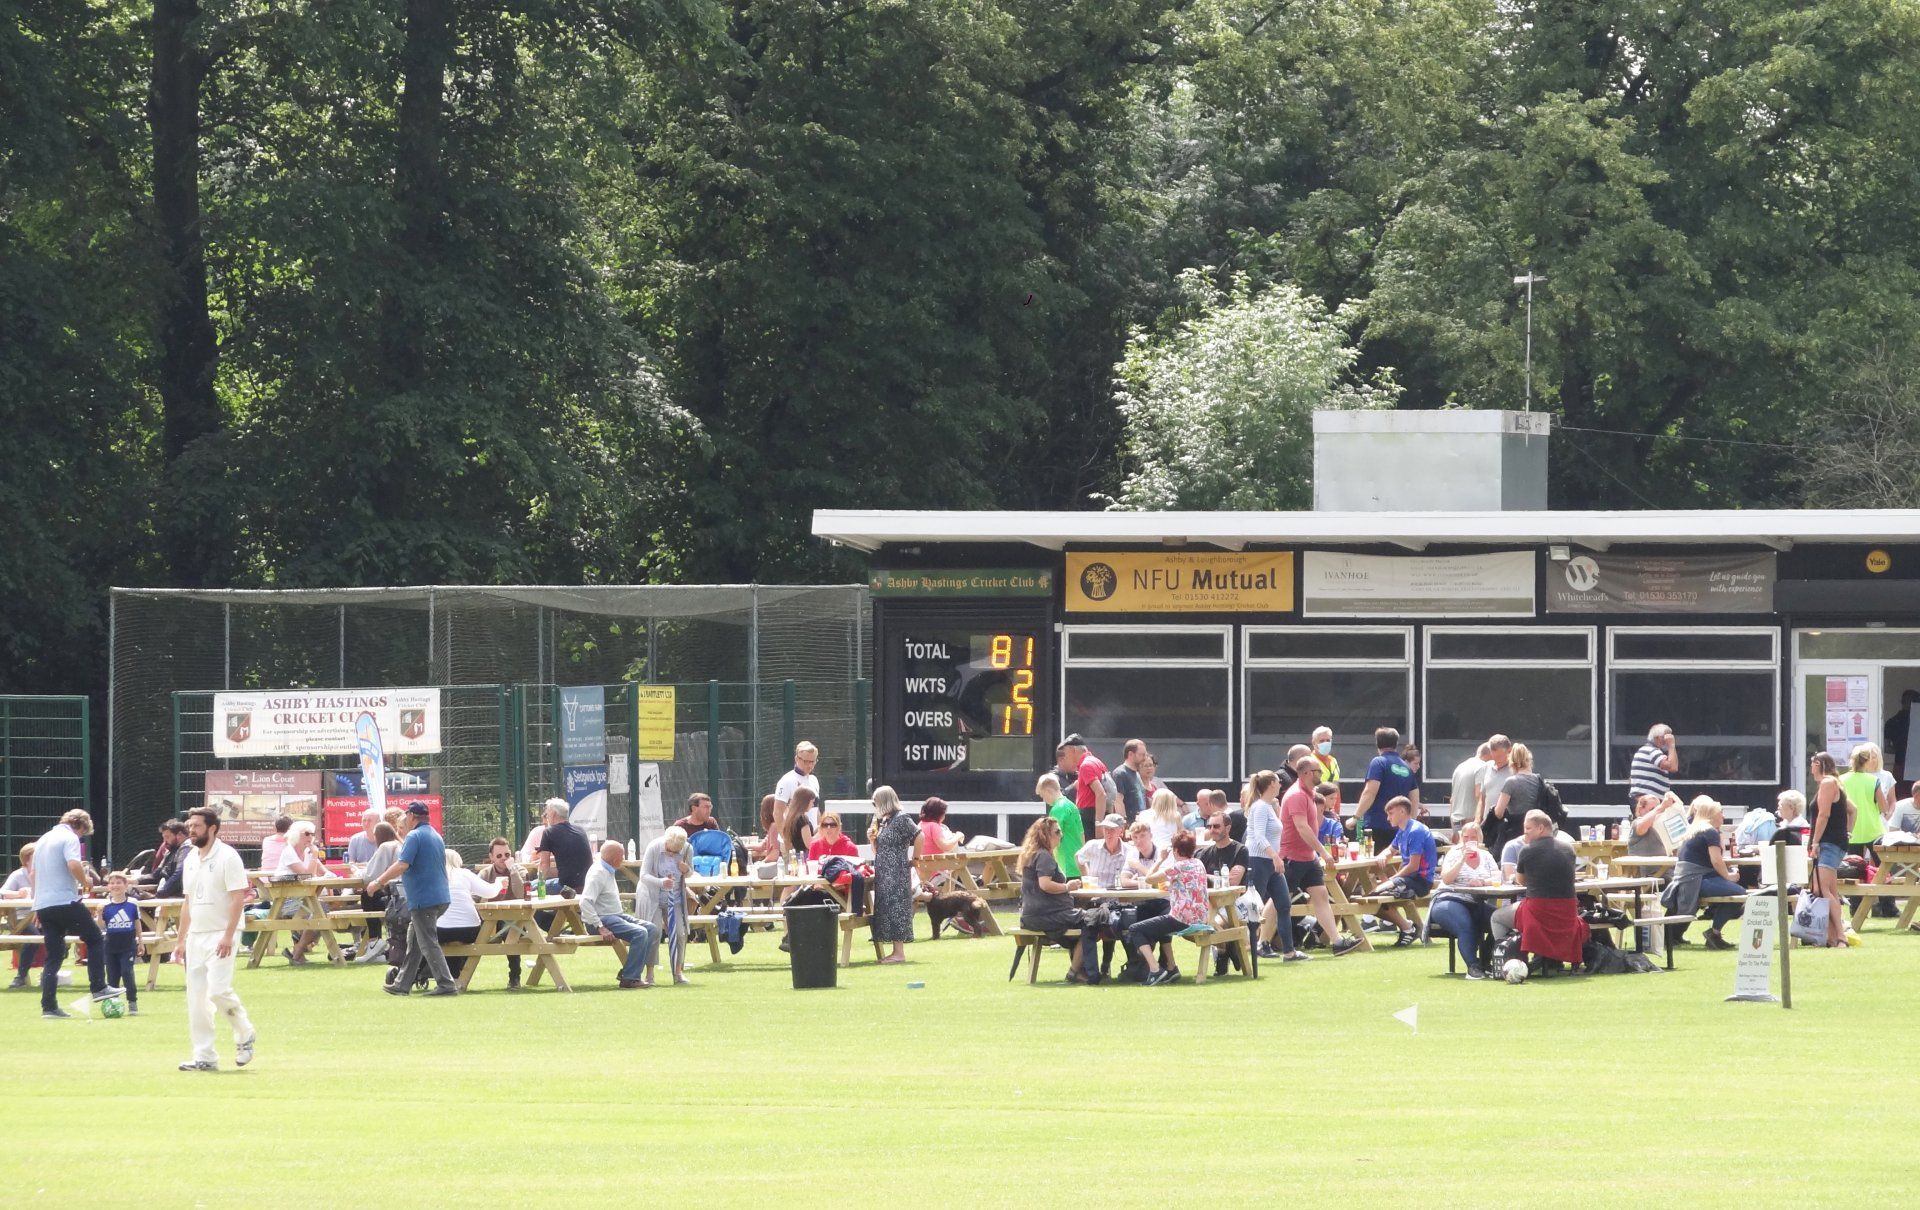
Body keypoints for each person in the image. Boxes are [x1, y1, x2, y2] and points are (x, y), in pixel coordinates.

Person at [171, 807, 256, 1070]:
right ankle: (204, 1057)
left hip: (222, 933)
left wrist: (229, 936)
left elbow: (238, 898)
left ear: (212, 828)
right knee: (196, 998)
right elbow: (188, 902)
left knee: (218, 990)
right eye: (189, 826)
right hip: (197, 935)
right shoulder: (190, 859)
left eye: (196, 826)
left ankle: (245, 1033)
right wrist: (181, 941)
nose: (191, 830)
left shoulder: (228, 856)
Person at [361, 802, 458, 997]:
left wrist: (377, 883)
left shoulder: (414, 836)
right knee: (415, 941)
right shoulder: (434, 834)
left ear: (412, 816)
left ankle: (446, 984)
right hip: (439, 897)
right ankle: (402, 984)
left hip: (425, 899)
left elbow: (402, 864)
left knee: (428, 943)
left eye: (407, 814)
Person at [31, 809, 121, 1019]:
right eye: (83, 833)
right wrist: (85, 882)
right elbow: (73, 864)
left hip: (44, 905)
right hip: (64, 900)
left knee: (54, 955)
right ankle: (99, 987)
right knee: (96, 939)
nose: (81, 837)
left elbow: (34, 873)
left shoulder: (43, 839)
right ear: (80, 826)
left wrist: (37, 904)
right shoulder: (70, 837)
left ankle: (49, 1007)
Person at [1280, 757, 1360, 958]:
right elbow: (1302, 827)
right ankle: (1260, 941)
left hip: (1308, 858)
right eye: (1317, 770)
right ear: (1306, 773)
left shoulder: (1310, 794)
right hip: (1292, 857)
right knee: (1279, 900)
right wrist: (1323, 852)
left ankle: (1338, 942)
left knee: (1321, 897)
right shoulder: (1297, 795)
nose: (1321, 774)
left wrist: (1316, 854)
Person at [1016, 816, 1098, 983]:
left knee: (1088, 919)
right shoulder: (1044, 856)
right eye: (1057, 831)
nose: (1061, 834)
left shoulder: (1034, 854)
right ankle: (1075, 972)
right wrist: (1067, 887)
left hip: (1034, 916)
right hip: (1045, 915)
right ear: (1045, 834)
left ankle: (1081, 971)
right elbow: (1045, 884)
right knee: (1094, 919)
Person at [1661, 798, 1748, 950]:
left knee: (1734, 893)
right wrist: (1728, 876)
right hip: (1697, 880)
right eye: (1720, 812)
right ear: (1712, 814)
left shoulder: (1695, 830)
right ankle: (1714, 933)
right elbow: (1716, 860)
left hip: (1687, 879)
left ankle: (1713, 931)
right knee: (1739, 894)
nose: (1723, 815)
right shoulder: (1710, 831)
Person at [1125, 831, 1209, 985]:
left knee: (1135, 929)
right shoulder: (1199, 863)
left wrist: (1160, 859)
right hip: (1200, 917)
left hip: (1182, 919)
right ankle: (1171, 968)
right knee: (1161, 921)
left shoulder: (1177, 867)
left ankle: (1156, 970)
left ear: (1176, 851)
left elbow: (1149, 879)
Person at [581, 839, 662, 988]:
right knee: (640, 933)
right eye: (622, 855)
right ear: (615, 859)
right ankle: (630, 978)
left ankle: (628, 972)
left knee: (652, 929)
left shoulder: (607, 869)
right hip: (602, 920)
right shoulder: (598, 873)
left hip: (615, 916)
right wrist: (600, 926)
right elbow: (585, 902)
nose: (624, 859)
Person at [1491, 810, 1577, 945]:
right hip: (1566, 912)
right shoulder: (1569, 849)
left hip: (1537, 912)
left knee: (1496, 917)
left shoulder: (1527, 850)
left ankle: (1512, 960)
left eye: (1528, 828)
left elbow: (1520, 880)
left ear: (1541, 828)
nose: (1525, 832)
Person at [1428, 820, 1500, 979]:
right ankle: (1473, 967)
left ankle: (1485, 961)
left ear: (1479, 839)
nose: (1469, 841)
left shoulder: (1486, 856)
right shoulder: (1454, 853)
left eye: (1473, 838)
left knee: (1501, 920)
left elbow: (1497, 877)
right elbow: (1446, 878)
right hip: (1449, 899)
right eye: (1465, 837)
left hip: (1475, 901)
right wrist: (1462, 860)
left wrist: (1482, 882)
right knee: (1465, 923)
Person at [1245, 769, 1301, 962]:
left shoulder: (1268, 806)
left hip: (1270, 861)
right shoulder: (1260, 807)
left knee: (1283, 904)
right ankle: (1247, 946)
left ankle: (1289, 951)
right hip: (1259, 860)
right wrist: (1275, 857)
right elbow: (1259, 836)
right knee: (1254, 905)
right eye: (1277, 782)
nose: (1280, 784)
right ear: (1270, 785)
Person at [1369, 797, 1437, 945]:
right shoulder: (1402, 830)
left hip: (1421, 881)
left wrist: (1393, 879)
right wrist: (1383, 855)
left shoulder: (1415, 831)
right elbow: (1391, 849)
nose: (1388, 818)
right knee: (1370, 898)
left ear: (1402, 811)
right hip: (1409, 879)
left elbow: (1414, 866)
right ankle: (1407, 927)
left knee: (1376, 893)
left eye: (1391, 813)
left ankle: (1407, 929)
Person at [435, 849, 509, 982]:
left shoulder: (434, 875)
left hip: (442, 930)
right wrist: (499, 884)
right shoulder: (464, 874)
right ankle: (457, 975)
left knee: (437, 936)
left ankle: (452, 976)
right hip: (469, 930)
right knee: (461, 938)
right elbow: (489, 892)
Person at [867, 786, 921, 964]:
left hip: (897, 871)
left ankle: (899, 953)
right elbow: (878, 850)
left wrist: (916, 858)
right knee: (886, 908)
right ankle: (894, 952)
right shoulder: (884, 821)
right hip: (884, 872)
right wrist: (872, 840)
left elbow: (919, 836)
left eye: (876, 802)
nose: (875, 806)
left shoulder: (901, 818)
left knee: (897, 908)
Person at [635, 827, 692, 984]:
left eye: (676, 851)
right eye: (670, 850)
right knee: (654, 933)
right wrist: (661, 882)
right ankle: (649, 974)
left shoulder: (687, 849)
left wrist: (686, 870)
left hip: (675, 898)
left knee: (680, 934)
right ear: (665, 841)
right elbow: (644, 875)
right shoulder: (654, 847)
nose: (672, 853)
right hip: (652, 896)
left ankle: (678, 973)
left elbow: (690, 872)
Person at [1808, 753, 1853, 947]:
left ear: (1818, 764)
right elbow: (1853, 809)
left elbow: (1824, 815)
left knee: (1821, 889)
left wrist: (1815, 842)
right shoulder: (1836, 783)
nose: (1811, 769)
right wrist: (1847, 832)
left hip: (1828, 842)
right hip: (1836, 841)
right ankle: (1832, 937)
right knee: (1830, 890)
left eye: (1812, 764)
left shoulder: (1827, 783)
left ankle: (1840, 935)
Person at [1354, 727, 1420, 853]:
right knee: (1393, 863)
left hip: (1376, 825)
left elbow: (1370, 792)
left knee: (1373, 866)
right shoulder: (1406, 767)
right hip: (1399, 827)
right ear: (1396, 744)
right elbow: (1414, 798)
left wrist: (1355, 817)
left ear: (1378, 744)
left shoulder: (1379, 762)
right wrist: (1411, 823)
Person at [472, 835, 526, 987]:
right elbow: (473, 897)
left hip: (516, 919)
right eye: (499, 856)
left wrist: (513, 871)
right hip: (490, 920)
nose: (504, 858)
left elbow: (521, 894)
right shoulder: (485, 874)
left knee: (510, 928)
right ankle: (459, 976)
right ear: (491, 857)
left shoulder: (519, 870)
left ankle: (514, 977)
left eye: (507, 855)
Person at [276, 820, 329, 964]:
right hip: (284, 902)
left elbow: (318, 873)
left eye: (312, 833)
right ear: (296, 834)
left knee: (322, 909)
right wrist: (315, 855)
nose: (310, 837)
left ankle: (297, 952)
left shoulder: (307, 851)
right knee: (321, 910)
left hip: (303, 899)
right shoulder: (289, 851)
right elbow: (307, 876)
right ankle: (298, 952)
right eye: (307, 833)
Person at [765, 741, 821, 861]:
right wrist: (786, 838)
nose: (809, 765)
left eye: (813, 761)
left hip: (812, 841)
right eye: (806, 761)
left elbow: (816, 810)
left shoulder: (814, 780)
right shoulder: (787, 780)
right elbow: (777, 812)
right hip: (795, 844)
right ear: (797, 758)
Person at [1487, 743, 1544, 859]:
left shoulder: (1511, 782)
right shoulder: (1539, 780)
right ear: (1529, 760)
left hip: (1516, 829)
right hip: (1537, 828)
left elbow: (1498, 812)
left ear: (1511, 762)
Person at [1059, 733, 1118, 839]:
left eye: (1066, 753)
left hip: (1090, 818)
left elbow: (1101, 794)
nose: (1066, 757)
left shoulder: (1086, 766)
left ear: (1073, 750)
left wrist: (1098, 824)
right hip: (1098, 813)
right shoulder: (1096, 762)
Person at [99, 872, 141, 1015]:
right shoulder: (105, 905)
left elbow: (137, 923)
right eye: (112, 883)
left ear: (126, 885)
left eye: (118, 882)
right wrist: (98, 914)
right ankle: (113, 1003)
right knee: (112, 976)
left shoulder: (132, 904)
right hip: (110, 945)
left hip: (128, 944)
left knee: (126, 972)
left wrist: (140, 941)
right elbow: (101, 926)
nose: (115, 885)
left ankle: (132, 1001)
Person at [1839, 743, 1891, 853]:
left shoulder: (1841, 780)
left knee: (1854, 868)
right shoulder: (1873, 780)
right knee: (1881, 867)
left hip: (1851, 830)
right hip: (1873, 831)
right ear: (1866, 762)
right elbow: (1883, 808)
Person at [534, 798, 593, 893]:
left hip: (566, 887)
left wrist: (540, 887)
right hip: (587, 885)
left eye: (547, 814)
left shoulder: (549, 832)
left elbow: (544, 864)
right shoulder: (580, 830)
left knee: (530, 887)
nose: (547, 817)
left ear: (553, 814)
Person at [1036, 773, 1084, 878]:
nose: (1044, 800)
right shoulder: (1072, 806)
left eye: (1043, 796)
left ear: (1048, 791)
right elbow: (1082, 835)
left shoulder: (1057, 809)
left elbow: (1051, 837)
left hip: (1065, 865)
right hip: (1077, 863)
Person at [1076, 813, 1130, 891]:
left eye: (1112, 829)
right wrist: (1087, 877)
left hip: (1119, 898)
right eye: (1105, 828)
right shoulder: (1093, 845)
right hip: (1095, 898)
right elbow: (1078, 857)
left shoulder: (1129, 851)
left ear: (1120, 831)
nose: (1108, 832)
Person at [1450, 742, 1493, 836]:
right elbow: (1479, 794)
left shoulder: (1460, 767)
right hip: (1470, 821)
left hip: (1456, 820)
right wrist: (1482, 819)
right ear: (1490, 754)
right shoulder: (1482, 766)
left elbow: (1452, 799)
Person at [1629, 724, 1679, 804]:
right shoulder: (1651, 751)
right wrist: (1671, 746)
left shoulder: (1648, 751)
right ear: (1659, 737)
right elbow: (1672, 767)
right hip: (1647, 801)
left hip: (1649, 800)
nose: (1669, 739)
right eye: (1667, 736)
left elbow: (1674, 767)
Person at [1475, 735, 1514, 835]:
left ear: (1509, 750)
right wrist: (1477, 821)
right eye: (1494, 755)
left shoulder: (1515, 770)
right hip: (1487, 824)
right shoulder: (1487, 767)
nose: (1497, 759)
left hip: (1507, 825)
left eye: (1500, 756)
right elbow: (1482, 798)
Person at [1626, 789, 1682, 857]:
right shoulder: (1637, 823)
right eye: (1652, 809)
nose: (1657, 812)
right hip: (1644, 866)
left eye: (1657, 808)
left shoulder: (1661, 824)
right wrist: (1661, 807)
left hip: (1665, 865)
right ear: (1641, 810)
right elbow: (1641, 827)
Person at [1885, 689, 1919, 782]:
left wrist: (1901, 749)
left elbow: (1886, 747)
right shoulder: (1917, 721)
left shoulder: (1892, 722)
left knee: (1901, 795)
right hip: (1911, 765)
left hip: (1900, 763)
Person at [1110, 739, 1149, 818]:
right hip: (1129, 826)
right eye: (1142, 755)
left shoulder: (1137, 774)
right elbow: (1118, 801)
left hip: (1141, 824)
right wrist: (1124, 823)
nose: (1145, 758)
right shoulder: (1120, 774)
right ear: (1130, 754)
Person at [918, 797, 962, 862]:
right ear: (939, 814)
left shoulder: (921, 824)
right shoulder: (934, 826)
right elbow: (946, 846)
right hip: (936, 866)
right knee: (960, 866)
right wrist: (957, 836)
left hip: (923, 866)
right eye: (944, 813)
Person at [1122, 820, 1163, 886]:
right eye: (1135, 837)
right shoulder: (1132, 853)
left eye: (1142, 836)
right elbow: (1124, 881)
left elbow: (1160, 882)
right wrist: (1146, 883)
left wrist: (1139, 866)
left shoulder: (1162, 853)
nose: (1139, 840)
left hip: (1161, 896)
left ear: (1151, 836)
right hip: (1141, 895)